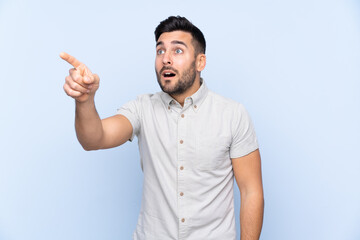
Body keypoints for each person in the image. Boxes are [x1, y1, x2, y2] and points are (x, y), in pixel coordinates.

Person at [61, 16, 264, 240]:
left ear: (200, 62)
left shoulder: (232, 114)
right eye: (160, 51)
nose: (165, 59)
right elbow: (94, 139)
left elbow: (251, 192)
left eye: (177, 51)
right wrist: (84, 100)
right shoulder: (141, 108)